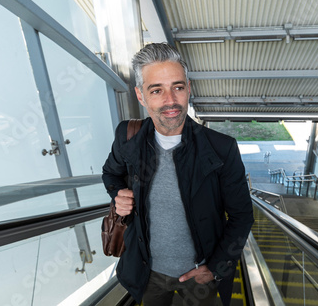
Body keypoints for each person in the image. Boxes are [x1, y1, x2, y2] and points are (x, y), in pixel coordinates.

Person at [102, 43, 254, 306]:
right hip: (147, 272)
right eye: (157, 90)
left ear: (188, 89)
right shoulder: (128, 136)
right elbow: (110, 174)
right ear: (141, 96)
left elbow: (242, 216)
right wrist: (118, 194)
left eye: (178, 87)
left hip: (199, 276)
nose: (170, 100)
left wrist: (215, 267)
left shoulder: (221, 148)